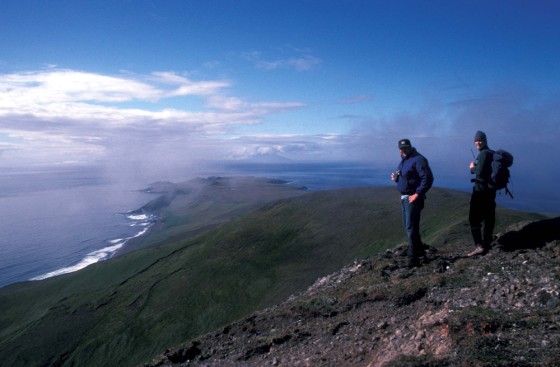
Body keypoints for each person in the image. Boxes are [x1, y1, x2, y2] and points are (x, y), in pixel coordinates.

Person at [391, 138, 434, 268]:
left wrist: (418, 194)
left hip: (412, 199)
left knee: (411, 228)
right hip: (404, 198)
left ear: (410, 147)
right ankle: (421, 254)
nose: (403, 150)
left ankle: (412, 260)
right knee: (409, 227)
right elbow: (406, 178)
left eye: (405, 148)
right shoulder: (404, 161)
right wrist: (396, 179)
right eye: (401, 148)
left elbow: (428, 178)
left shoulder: (419, 159)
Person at [467, 130, 496, 257]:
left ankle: (479, 246)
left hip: (481, 191)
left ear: (485, 141)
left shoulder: (484, 154)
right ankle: (487, 242)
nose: (478, 142)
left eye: (480, 140)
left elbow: (479, 171)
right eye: (476, 141)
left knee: (473, 218)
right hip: (490, 190)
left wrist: (472, 167)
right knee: (489, 216)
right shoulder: (491, 153)